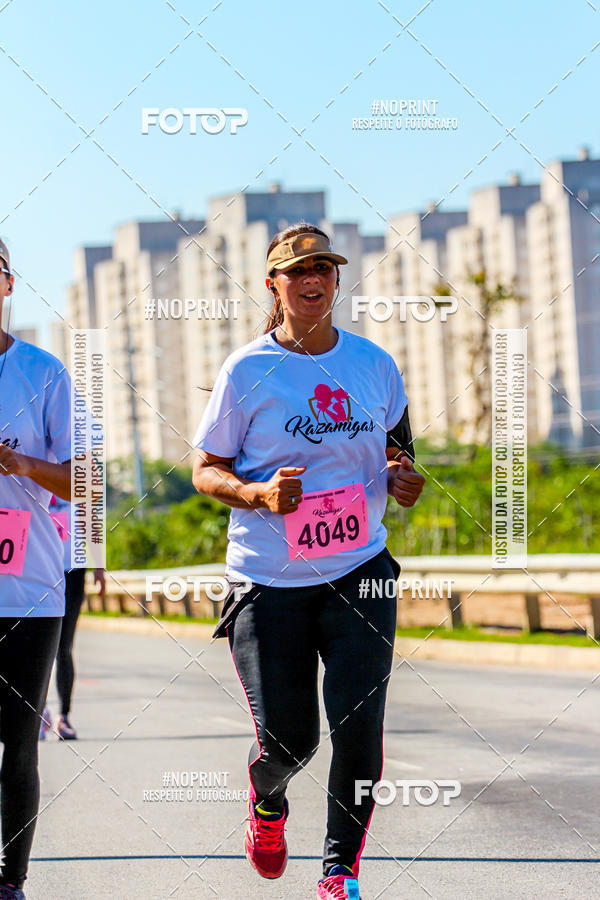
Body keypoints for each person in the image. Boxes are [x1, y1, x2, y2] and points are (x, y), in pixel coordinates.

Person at [192, 223, 425, 899]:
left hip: (361, 570)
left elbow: (397, 453)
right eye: (297, 270)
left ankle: (338, 871)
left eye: (323, 266)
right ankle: (267, 804)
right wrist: (256, 493)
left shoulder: (374, 364)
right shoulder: (247, 370)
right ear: (275, 285)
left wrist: (404, 477)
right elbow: (207, 471)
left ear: (337, 280)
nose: (311, 278)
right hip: (269, 583)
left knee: (359, 726)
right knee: (290, 743)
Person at [0, 238, 73, 899]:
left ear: (7, 283)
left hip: (28, 591)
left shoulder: (44, 373)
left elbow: (87, 482)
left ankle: (11, 880)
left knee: (18, 744)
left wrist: (21, 464)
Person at [39, 495, 105, 741]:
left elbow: (91, 520)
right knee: (37, 646)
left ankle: (63, 717)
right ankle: (38, 713)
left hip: (73, 570)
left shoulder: (73, 476)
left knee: (63, 647)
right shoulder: (30, 468)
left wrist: (99, 565)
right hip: (39, 571)